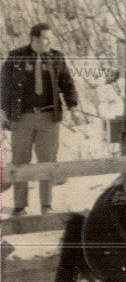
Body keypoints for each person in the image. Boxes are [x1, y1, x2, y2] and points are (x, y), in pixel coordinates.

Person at [1, 23, 81, 215]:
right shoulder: (16, 57)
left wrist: (73, 107)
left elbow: (67, 84)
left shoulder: (56, 57)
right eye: (46, 38)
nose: (49, 42)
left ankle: (47, 205)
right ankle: (20, 207)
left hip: (48, 118)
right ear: (34, 39)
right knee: (20, 161)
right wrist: (3, 110)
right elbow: (4, 86)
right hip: (22, 118)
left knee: (47, 162)